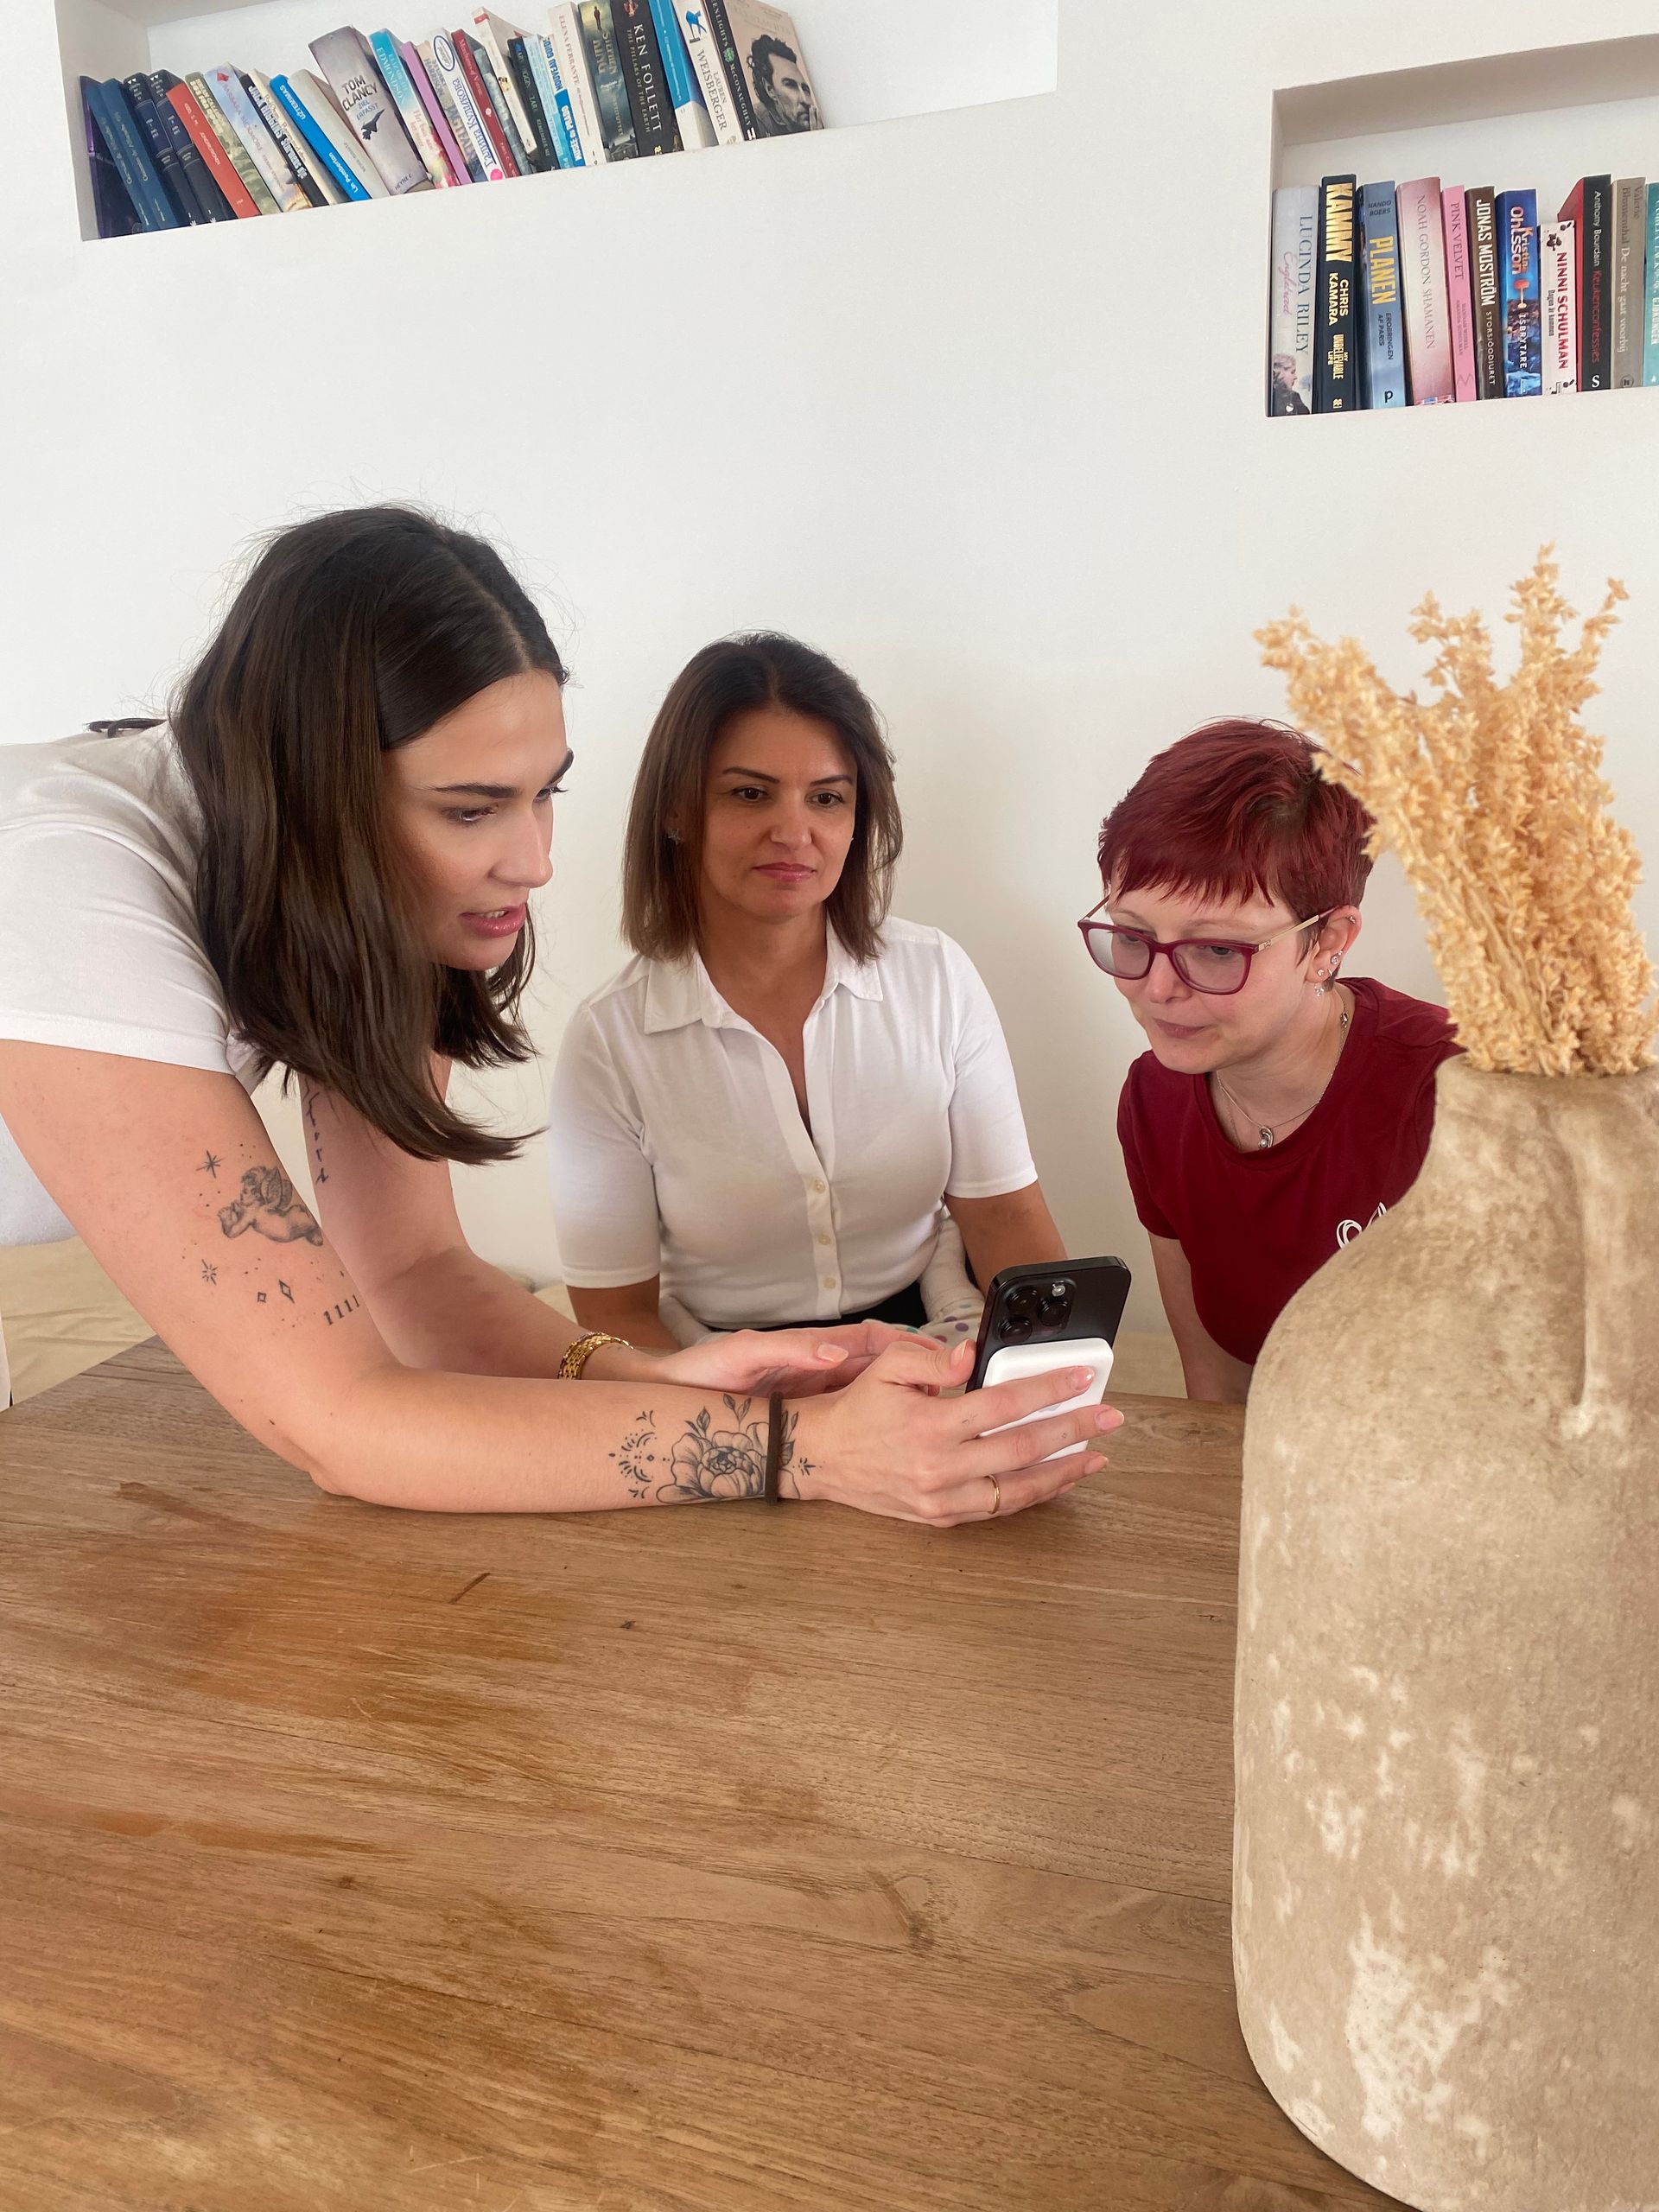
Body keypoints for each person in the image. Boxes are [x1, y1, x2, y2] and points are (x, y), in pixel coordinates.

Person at [0, 506, 1121, 1520]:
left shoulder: (352, 883)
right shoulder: (65, 888)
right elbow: (335, 1422)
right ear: (317, 794)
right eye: (472, 809)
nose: (533, 862)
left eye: (546, 793)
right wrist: (801, 1449)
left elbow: (412, 1275)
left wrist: (661, 1379)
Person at [547, 632, 1065, 1351]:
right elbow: (617, 1314)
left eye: (827, 798)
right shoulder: (609, 1040)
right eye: (750, 793)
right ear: (675, 810)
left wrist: (1046, 1378)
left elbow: (1005, 1219)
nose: (795, 832)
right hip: (716, 1366)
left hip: (932, 1334)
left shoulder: (937, 975)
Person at [1081, 718, 1459, 1403]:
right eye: (1132, 936)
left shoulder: (1453, 1095)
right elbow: (1215, 1391)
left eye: (1219, 950)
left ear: (1327, 944)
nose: (1159, 987)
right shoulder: (1156, 1100)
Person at [749, 34, 817, 133]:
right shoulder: (756, 122)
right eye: (790, 85)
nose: (805, 100)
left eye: (805, 90)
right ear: (770, 89)